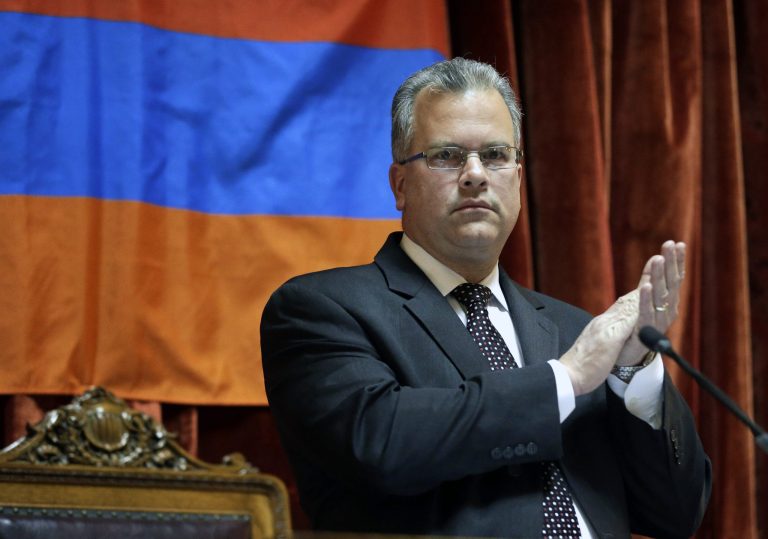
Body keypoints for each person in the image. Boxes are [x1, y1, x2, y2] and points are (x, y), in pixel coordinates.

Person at [260, 58, 711, 538]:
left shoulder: (573, 329)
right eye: (447, 156)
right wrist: (566, 379)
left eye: (495, 155)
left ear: (517, 178)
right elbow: (382, 445)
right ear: (400, 185)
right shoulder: (321, 310)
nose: (475, 174)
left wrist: (631, 375)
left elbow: (677, 515)